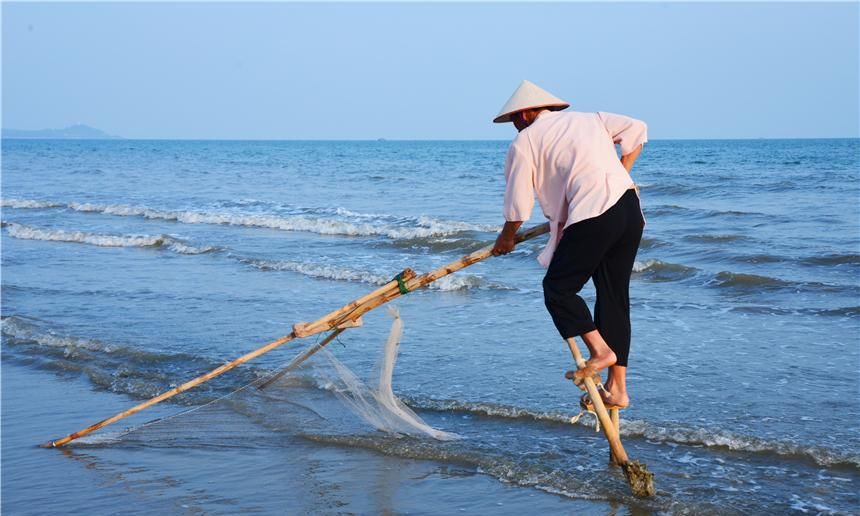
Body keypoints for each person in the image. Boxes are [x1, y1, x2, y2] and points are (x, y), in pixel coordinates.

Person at [490, 80, 647, 409]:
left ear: (529, 112)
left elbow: (519, 201)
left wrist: (506, 237)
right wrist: (620, 173)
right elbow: (638, 129)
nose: (516, 126)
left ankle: (601, 352)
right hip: (629, 207)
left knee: (558, 289)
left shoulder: (525, 143)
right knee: (613, 296)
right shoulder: (591, 119)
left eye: (516, 119)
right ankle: (617, 389)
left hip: (593, 214)